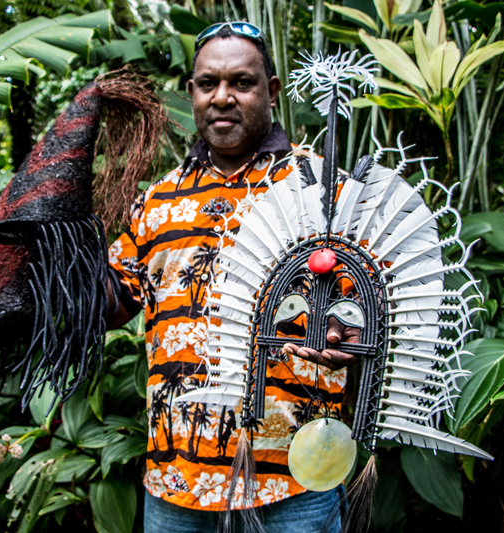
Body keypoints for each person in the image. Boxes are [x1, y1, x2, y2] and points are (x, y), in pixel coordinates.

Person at [107, 22, 359, 533]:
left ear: (273, 90)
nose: (222, 97)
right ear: (193, 93)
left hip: (298, 478)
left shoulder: (325, 189)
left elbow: (376, 309)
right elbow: (112, 302)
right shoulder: (158, 201)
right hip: (178, 482)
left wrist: (350, 335)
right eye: (208, 84)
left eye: (242, 83)